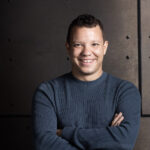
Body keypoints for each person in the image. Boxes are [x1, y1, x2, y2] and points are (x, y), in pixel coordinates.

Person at [32, 14, 141, 150]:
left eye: (94, 44)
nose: (86, 52)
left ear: (104, 47)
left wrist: (64, 133)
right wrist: (107, 139)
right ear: (68, 47)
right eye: (78, 45)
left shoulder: (125, 91)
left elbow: (124, 142)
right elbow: (44, 145)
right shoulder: (48, 92)